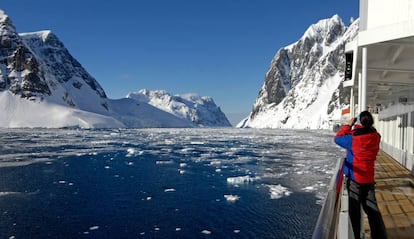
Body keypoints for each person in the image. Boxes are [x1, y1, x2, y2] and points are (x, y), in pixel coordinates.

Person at [334, 110, 388, 239]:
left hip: (354, 179)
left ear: (358, 122)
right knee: (373, 211)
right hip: (368, 179)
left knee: (355, 212)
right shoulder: (376, 136)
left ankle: (356, 236)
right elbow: (370, 133)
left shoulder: (353, 138)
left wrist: (348, 126)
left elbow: (337, 138)